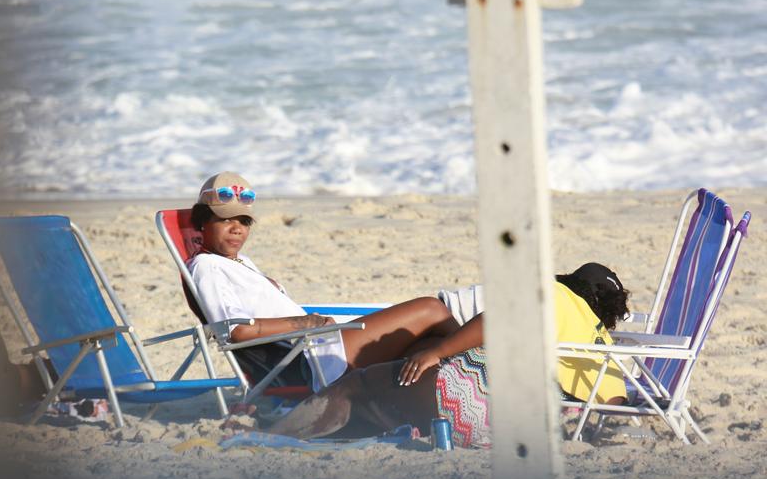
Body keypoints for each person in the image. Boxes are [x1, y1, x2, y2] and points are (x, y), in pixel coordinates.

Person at [264, 262, 631, 448]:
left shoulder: (557, 294)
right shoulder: (604, 347)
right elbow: (614, 410)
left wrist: (438, 352)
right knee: (383, 400)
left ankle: (271, 437)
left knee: (356, 385)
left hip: (476, 404)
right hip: (531, 431)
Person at [188, 171, 461, 391]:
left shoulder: (237, 262)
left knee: (423, 346)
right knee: (431, 310)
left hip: (314, 346)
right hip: (310, 361)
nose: (237, 228)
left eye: (244, 221)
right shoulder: (207, 266)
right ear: (203, 223)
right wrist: (306, 322)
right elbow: (236, 331)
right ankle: (486, 368)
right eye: (225, 220)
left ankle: (470, 385)